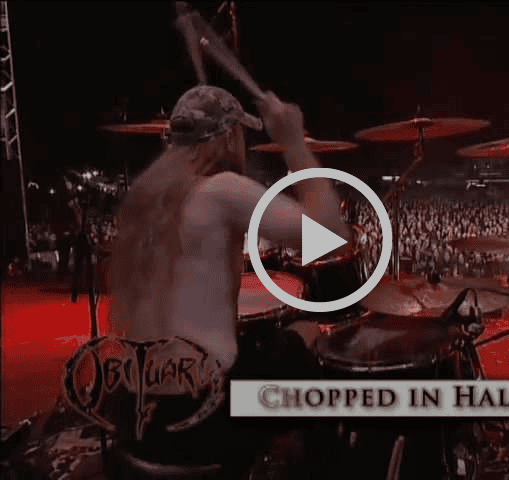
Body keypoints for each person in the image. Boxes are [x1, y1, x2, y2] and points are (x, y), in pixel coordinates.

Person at [107, 85, 350, 477]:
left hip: (133, 408)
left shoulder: (146, 198)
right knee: (304, 348)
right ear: (229, 138)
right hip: (198, 415)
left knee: (274, 349)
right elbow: (330, 232)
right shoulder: (220, 190)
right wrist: (294, 143)